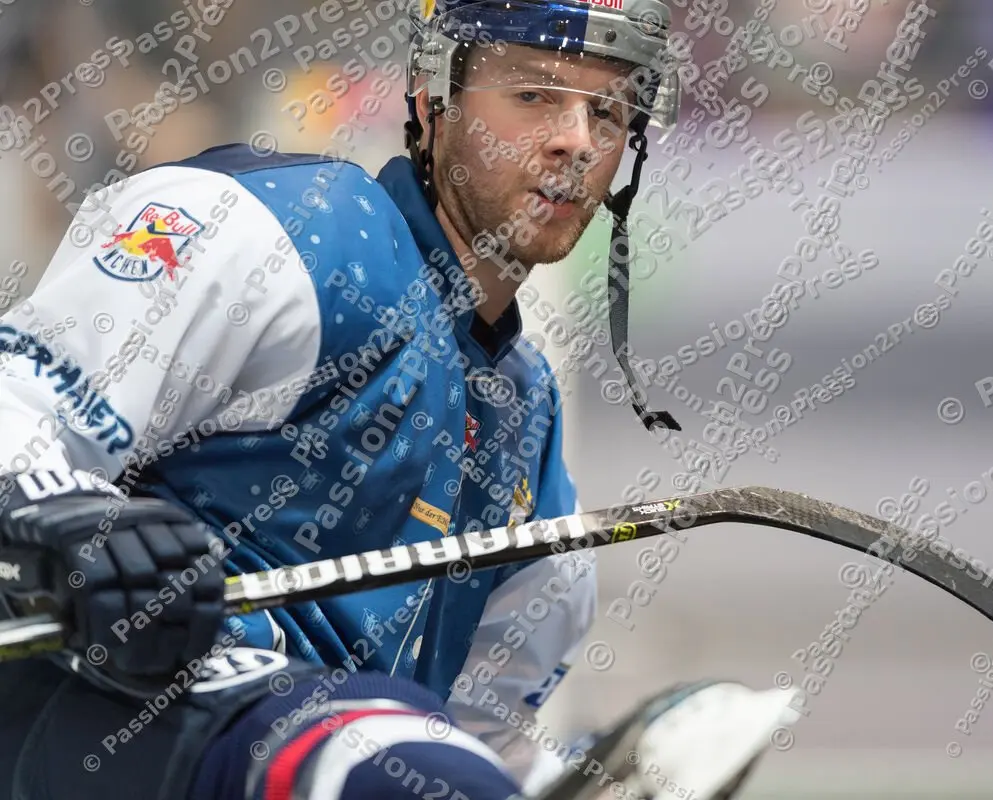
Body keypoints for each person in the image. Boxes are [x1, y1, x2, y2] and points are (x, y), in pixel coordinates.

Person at [0, 0, 683, 797]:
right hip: (96, 723)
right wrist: (72, 521)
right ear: (434, 95)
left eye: (608, 108)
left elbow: (483, 732)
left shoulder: (529, 429)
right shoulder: (278, 229)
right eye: (533, 94)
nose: (577, 139)